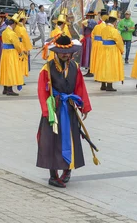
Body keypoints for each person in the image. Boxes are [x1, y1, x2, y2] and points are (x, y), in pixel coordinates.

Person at [36, 35, 92, 188]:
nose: (66, 55)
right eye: (62, 52)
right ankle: (53, 175)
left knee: (71, 138)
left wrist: (84, 106)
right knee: (51, 141)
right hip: (54, 108)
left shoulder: (74, 67)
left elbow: (80, 87)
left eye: (68, 53)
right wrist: (47, 112)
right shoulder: (47, 68)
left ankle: (67, 171)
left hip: (69, 107)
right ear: (56, 52)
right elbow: (42, 91)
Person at [95, 10, 124, 92]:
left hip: (103, 48)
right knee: (110, 67)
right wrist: (122, 50)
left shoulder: (103, 29)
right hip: (112, 50)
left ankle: (103, 84)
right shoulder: (114, 31)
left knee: (103, 66)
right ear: (115, 21)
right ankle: (109, 85)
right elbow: (119, 41)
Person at [0, 13, 24, 96]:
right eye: (15, 25)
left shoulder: (4, 32)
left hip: (5, 52)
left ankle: (5, 88)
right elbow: (17, 45)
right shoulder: (12, 33)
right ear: (13, 24)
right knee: (11, 70)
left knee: (5, 69)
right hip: (11, 52)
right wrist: (20, 52)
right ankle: (9, 89)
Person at [88, 9, 108, 78]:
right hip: (103, 44)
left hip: (96, 45)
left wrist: (94, 42)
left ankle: (96, 75)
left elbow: (92, 35)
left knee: (96, 60)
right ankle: (100, 76)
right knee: (101, 61)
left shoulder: (97, 26)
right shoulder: (106, 27)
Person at [15, 11, 33, 80]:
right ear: (23, 19)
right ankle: (20, 79)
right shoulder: (22, 28)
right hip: (22, 45)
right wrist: (28, 49)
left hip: (16, 45)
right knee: (22, 62)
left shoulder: (16, 27)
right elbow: (26, 39)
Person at [80, 11, 97, 76]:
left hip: (89, 39)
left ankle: (90, 69)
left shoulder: (92, 22)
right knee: (88, 54)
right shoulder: (88, 22)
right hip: (87, 39)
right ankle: (89, 69)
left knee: (89, 54)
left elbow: (89, 25)